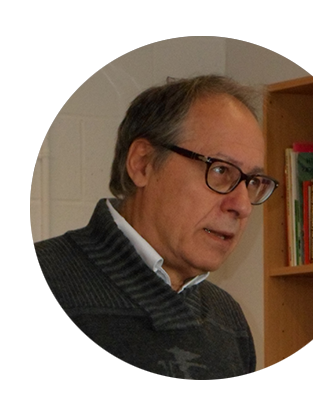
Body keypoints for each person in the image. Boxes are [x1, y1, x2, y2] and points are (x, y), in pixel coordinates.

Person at [30, 75, 278, 380]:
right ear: (143, 164)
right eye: (220, 170)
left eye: (253, 182)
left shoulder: (228, 321)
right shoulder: (34, 288)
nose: (242, 206)